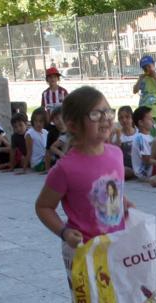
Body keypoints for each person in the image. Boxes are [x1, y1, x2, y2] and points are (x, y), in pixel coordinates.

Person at [34, 86, 131, 273]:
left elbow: (112, 191)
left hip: (116, 244)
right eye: (95, 114)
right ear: (73, 125)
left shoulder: (116, 154)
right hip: (85, 252)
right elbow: (43, 206)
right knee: (94, 302)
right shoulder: (65, 169)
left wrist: (124, 203)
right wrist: (64, 232)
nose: (105, 118)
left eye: (108, 112)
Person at [133, 55, 156, 123]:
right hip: (143, 111)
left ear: (153, 65)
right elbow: (135, 91)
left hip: (155, 112)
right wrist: (139, 80)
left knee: (155, 131)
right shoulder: (143, 78)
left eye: (149, 66)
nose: (147, 69)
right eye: (144, 68)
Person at [130, 105, 155, 182]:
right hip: (144, 173)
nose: (153, 121)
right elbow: (146, 159)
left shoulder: (150, 137)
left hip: (151, 169)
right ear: (141, 122)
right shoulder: (140, 138)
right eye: (150, 119)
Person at [112, 105, 137, 179]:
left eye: (127, 117)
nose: (124, 120)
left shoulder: (139, 134)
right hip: (125, 167)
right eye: (121, 118)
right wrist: (118, 137)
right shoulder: (117, 135)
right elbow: (115, 155)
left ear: (132, 118)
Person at [26, 107, 49, 173]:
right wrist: (24, 169)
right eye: (36, 121)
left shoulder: (45, 132)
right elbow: (29, 152)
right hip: (37, 163)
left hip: (46, 159)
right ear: (33, 121)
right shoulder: (30, 134)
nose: (38, 124)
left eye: (41, 121)